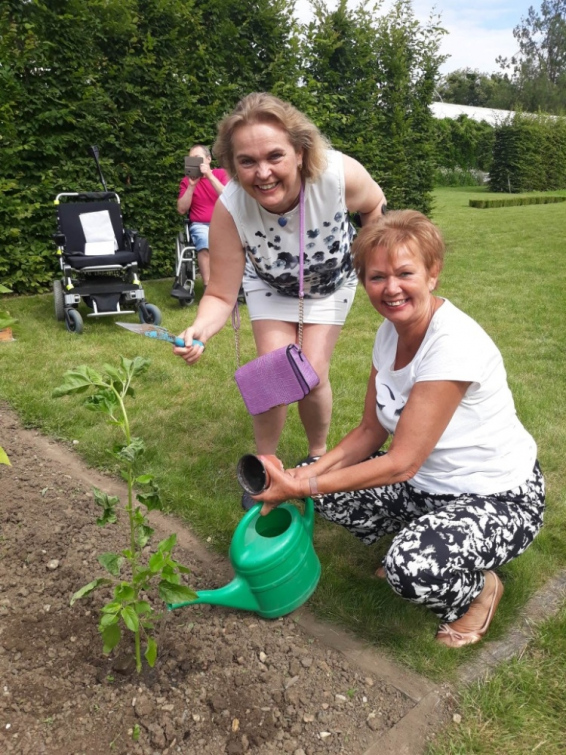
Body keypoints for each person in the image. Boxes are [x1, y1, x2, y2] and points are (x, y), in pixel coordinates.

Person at [252, 209, 545, 648]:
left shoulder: (453, 345)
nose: (390, 289)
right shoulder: (389, 333)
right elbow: (371, 430)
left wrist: (303, 487)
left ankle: (480, 591)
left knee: (412, 568)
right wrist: (304, 476)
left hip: (496, 496)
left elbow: (401, 462)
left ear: (433, 274)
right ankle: (425, 532)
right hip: (426, 488)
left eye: (405, 273)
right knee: (315, 477)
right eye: (376, 277)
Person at [174, 93, 387, 509]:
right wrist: (200, 328)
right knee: (272, 373)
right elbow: (220, 292)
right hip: (270, 283)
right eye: (247, 162)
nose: (263, 173)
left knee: (309, 373)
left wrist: (372, 263)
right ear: (232, 166)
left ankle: (317, 455)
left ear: (300, 152)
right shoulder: (230, 208)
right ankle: (267, 469)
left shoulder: (338, 176)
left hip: (329, 284)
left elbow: (374, 206)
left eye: (275, 156)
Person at [177, 144, 229, 287]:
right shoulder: (186, 182)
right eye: (191, 159)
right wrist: (191, 186)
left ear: (208, 159)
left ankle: (234, 283)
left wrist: (209, 176)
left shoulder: (221, 174)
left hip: (225, 224)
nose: (195, 162)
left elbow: (228, 198)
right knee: (205, 240)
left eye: (198, 158)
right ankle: (209, 286)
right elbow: (181, 209)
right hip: (201, 225)